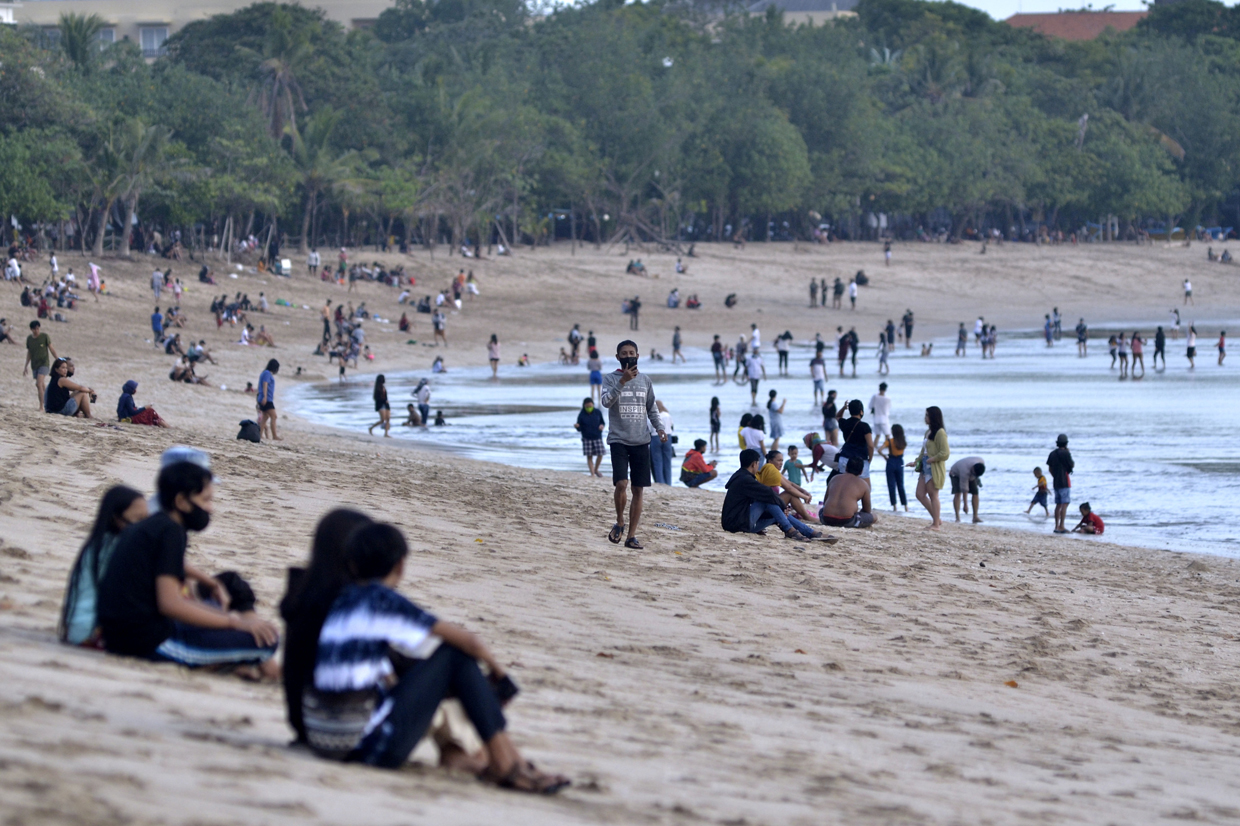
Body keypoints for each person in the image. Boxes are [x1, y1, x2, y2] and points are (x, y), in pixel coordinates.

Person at [302, 521, 570, 792]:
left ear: (353, 566)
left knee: (442, 673)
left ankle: (480, 758)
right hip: (364, 748)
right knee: (454, 655)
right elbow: (470, 642)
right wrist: (500, 675)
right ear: (400, 566)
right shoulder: (382, 600)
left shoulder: (343, 601)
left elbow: (392, 680)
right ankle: (505, 763)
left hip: (323, 739)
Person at [96, 462, 280, 676]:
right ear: (181, 501)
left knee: (239, 622)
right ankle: (223, 664)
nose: (210, 508)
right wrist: (234, 622)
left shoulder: (151, 526)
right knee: (269, 642)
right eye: (206, 500)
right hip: (146, 643)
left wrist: (232, 620)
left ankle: (229, 663)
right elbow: (171, 604)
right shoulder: (171, 532)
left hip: (119, 637)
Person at [59, 486, 149, 646]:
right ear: (116, 517)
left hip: (79, 628)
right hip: (90, 632)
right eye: (138, 519)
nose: (145, 526)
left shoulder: (101, 543)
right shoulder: (115, 548)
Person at [602, 341, 665, 549]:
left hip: (641, 440)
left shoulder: (645, 381)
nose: (628, 356)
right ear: (618, 357)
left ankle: (631, 536)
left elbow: (651, 408)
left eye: (631, 353)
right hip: (618, 439)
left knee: (639, 489)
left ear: (637, 355)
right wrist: (622, 382)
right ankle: (620, 520)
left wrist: (660, 428)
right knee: (621, 484)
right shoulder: (610, 379)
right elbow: (605, 402)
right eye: (624, 353)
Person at [721, 449, 831, 541]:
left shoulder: (741, 476)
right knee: (766, 499)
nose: (758, 466)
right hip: (738, 525)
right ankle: (791, 531)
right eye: (758, 464)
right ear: (753, 464)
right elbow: (768, 493)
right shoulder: (745, 479)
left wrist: (782, 509)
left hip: (737, 524)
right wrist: (784, 506)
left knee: (776, 513)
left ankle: (809, 532)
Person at [909, 406, 949, 530]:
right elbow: (923, 451)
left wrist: (933, 459)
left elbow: (945, 453)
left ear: (933, 417)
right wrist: (916, 462)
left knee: (933, 494)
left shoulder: (940, 433)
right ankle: (937, 519)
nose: (925, 418)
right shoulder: (928, 432)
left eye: (927, 415)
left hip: (934, 466)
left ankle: (936, 524)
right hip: (925, 465)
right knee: (920, 494)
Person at [758, 449, 818, 524]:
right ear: (770, 461)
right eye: (779, 460)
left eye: (782, 461)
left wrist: (804, 491)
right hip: (767, 508)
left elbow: (790, 484)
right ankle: (807, 517)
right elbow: (788, 488)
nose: (781, 463)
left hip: (770, 505)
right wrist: (805, 497)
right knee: (790, 494)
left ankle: (806, 516)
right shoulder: (770, 470)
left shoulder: (772, 470)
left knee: (791, 494)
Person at [819, 457, 877, 528]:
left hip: (826, 518)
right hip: (846, 520)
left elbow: (825, 502)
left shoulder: (834, 478)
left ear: (846, 467)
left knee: (821, 510)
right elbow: (867, 510)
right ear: (861, 471)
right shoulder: (863, 484)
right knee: (873, 516)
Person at [23, 319, 58, 409]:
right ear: (31, 329)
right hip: (35, 365)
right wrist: (26, 366)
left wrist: (58, 359)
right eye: (34, 329)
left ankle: (41, 406)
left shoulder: (45, 336)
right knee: (41, 385)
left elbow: (51, 348)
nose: (36, 330)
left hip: (44, 363)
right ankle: (49, 401)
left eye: (38, 328)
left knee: (38, 384)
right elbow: (29, 353)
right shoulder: (29, 339)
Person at [836, 399, 873, 480]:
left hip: (844, 459)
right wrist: (870, 459)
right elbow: (870, 446)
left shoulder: (844, 423)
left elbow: (838, 416)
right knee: (865, 487)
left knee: (845, 486)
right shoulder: (865, 426)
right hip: (860, 461)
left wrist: (843, 408)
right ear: (861, 412)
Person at [1047, 434, 1074, 534]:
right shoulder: (1066, 453)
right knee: (1065, 503)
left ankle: (1056, 526)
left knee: (1058, 504)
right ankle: (1062, 526)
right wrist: (1069, 453)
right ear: (1066, 443)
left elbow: (1050, 469)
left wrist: (1055, 476)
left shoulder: (1052, 454)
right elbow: (1072, 465)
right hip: (1065, 481)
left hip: (1056, 482)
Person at [877, 423, 907, 512]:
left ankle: (894, 506)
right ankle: (905, 506)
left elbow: (879, 450)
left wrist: (884, 456)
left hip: (891, 461)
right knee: (900, 484)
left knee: (891, 485)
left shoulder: (890, 441)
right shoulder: (903, 442)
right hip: (900, 462)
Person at [574, 397, 606, 478]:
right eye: (587, 407)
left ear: (593, 405)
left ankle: (596, 469)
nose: (589, 408)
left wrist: (602, 426)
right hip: (586, 437)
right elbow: (579, 428)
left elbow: (602, 422)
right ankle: (592, 473)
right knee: (589, 456)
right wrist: (577, 426)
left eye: (590, 406)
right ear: (584, 406)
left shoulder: (597, 412)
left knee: (601, 454)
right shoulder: (581, 414)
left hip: (597, 436)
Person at [949, 456, 986, 524]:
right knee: (958, 493)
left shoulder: (981, 462)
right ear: (972, 469)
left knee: (975, 493)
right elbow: (965, 489)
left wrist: (976, 478)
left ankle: (975, 517)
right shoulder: (965, 471)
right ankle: (957, 518)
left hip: (971, 475)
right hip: (955, 474)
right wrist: (965, 505)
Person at [649, 400, 674, 486]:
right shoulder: (667, 415)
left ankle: (660, 482)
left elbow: (649, 428)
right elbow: (671, 426)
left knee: (657, 461)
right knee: (667, 461)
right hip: (668, 437)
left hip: (655, 437)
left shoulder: (652, 416)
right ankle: (668, 482)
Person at [257, 359, 281, 441]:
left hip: (265, 398)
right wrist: (265, 397)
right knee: (274, 416)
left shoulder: (265, 373)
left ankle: (259, 435)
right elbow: (265, 384)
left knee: (265, 417)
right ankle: (275, 436)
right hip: (266, 399)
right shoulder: (267, 373)